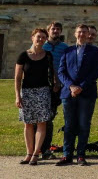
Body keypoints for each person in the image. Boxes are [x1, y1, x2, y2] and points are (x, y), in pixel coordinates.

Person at [57, 24, 98, 166]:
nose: (82, 34)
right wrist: (71, 86)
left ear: (88, 34)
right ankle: (67, 154)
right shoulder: (67, 51)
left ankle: (81, 155)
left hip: (86, 93)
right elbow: (61, 71)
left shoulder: (95, 52)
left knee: (84, 124)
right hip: (68, 93)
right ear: (75, 34)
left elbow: (95, 72)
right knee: (69, 125)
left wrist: (80, 87)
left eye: (84, 32)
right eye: (79, 32)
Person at [15, 28, 54, 166]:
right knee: (28, 124)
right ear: (32, 37)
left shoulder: (48, 55)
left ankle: (36, 153)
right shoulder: (23, 55)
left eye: (44, 37)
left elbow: (52, 74)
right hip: (26, 93)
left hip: (43, 92)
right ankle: (28, 153)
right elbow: (18, 78)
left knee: (41, 123)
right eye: (39, 37)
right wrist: (17, 96)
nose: (41, 39)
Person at [41, 21, 68, 159]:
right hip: (41, 86)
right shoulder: (42, 45)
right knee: (41, 119)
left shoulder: (64, 47)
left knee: (49, 117)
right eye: (53, 29)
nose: (55, 31)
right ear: (48, 31)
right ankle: (41, 148)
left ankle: (45, 149)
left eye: (58, 29)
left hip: (58, 87)